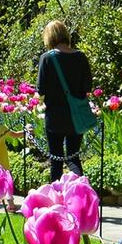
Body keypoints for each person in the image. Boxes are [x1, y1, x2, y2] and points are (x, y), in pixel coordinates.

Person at [36, 20, 93, 180]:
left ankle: (57, 197)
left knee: (56, 160)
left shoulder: (46, 58)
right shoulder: (81, 57)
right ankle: (81, 191)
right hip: (77, 116)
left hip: (55, 116)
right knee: (73, 157)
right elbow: (87, 86)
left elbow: (41, 89)